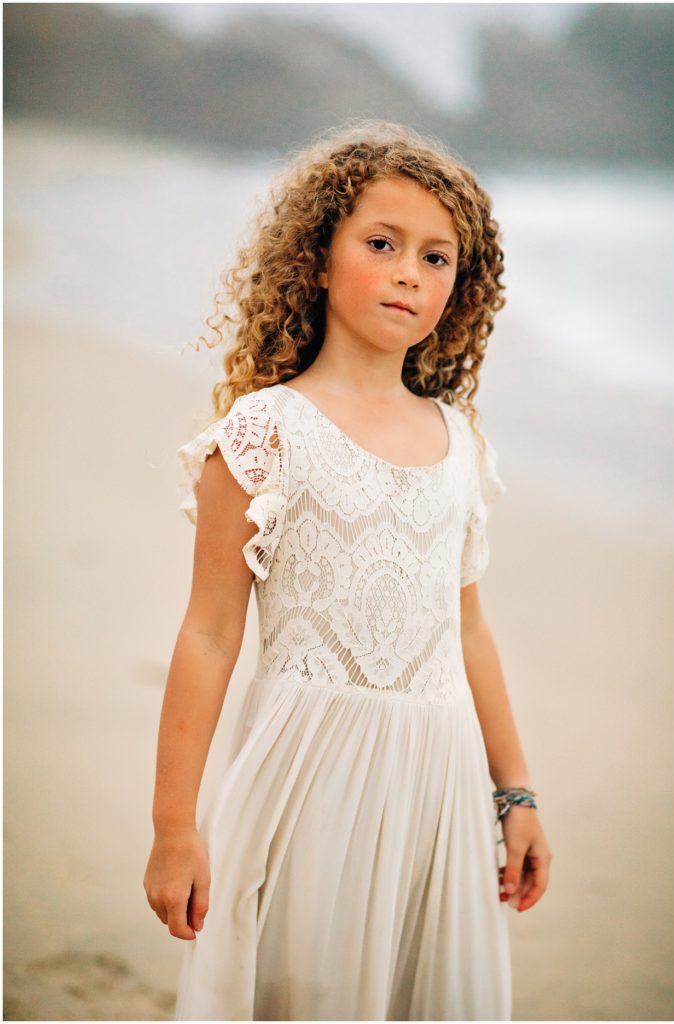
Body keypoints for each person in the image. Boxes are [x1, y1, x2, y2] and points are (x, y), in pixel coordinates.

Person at [143, 119, 552, 1022]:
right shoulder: (262, 436)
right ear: (318, 262)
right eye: (382, 244)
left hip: (437, 783)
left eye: (438, 258)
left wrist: (513, 791)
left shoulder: (459, 444)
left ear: (463, 286)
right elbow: (209, 636)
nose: (411, 271)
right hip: (305, 779)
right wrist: (175, 828)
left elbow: (468, 628)